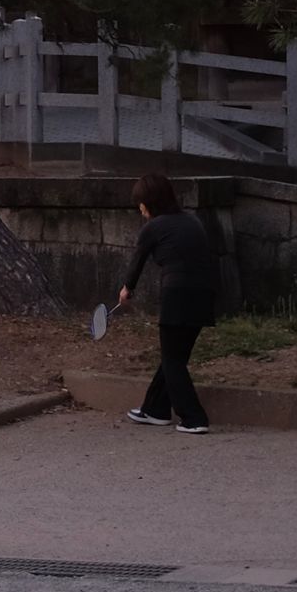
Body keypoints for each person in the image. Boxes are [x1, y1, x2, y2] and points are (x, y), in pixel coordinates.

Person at [116, 173, 219, 434]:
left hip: (177, 295)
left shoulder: (153, 227)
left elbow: (137, 262)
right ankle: (155, 410)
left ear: (149, 202)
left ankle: (194, 418)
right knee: (174, 357)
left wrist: (127, 290)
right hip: (205, 294)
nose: (139, 209)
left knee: (173, 361)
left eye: (140, 203)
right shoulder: (192, 221)